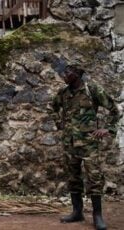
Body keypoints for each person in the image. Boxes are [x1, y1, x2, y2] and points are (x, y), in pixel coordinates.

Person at [52, 64, 119, 230]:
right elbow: (53, 107)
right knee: (73, 177)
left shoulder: (93, 90)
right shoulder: (63, 93)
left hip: (89, 143)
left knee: (94, 178)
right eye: (64, 72)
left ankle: (97, 216)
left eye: (67, 72)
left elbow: (114, 110)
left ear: (77, 73)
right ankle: (77, 212)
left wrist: (108, 128)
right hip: (70, 143)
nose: (64, 75)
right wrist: (58, 122)